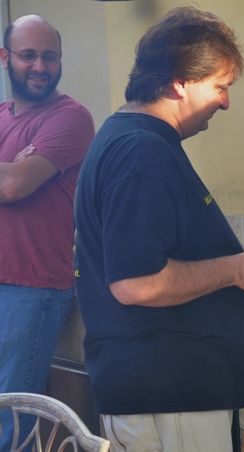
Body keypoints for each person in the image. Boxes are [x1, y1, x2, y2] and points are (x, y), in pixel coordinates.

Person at [74, 6, 244, 452]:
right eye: (220, 86)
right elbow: (136, 283)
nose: (225, 102)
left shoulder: (138, 141)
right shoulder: (139, 152)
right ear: (180, 83)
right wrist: (236, 270)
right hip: (166, 397)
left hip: (172, 393)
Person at [0, 14, 95, 450]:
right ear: (5, 58)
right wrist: (12, 167)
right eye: (28, 55)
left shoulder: (70, 117)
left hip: (32, 288)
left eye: (49, 56)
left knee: (11, 421)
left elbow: (13, 186)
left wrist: (14, 173)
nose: (40, 66)